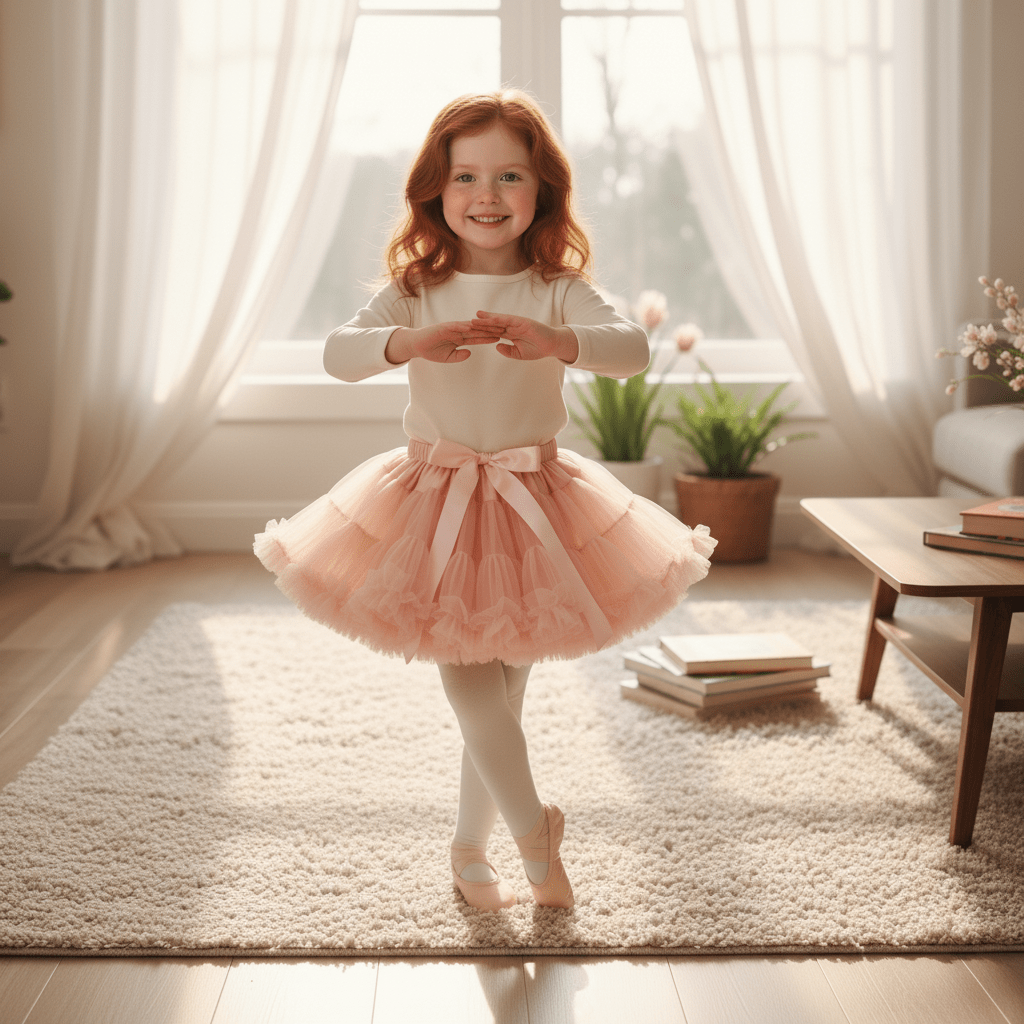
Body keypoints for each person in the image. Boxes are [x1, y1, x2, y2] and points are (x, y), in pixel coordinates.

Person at [255, 90, 715, 913]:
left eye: (510, 175)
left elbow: (633, 349)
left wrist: (557, 340)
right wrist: (408, 341)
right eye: (466, 176)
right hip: (432, 501)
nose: (488, 195)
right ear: (436, 189)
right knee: (470, 678)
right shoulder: (417, 285)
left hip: (535, 505)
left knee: (502, 692)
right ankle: (537, 838)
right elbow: (338, 353)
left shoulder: (555, 286)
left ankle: (470, 852)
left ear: (543, 191)